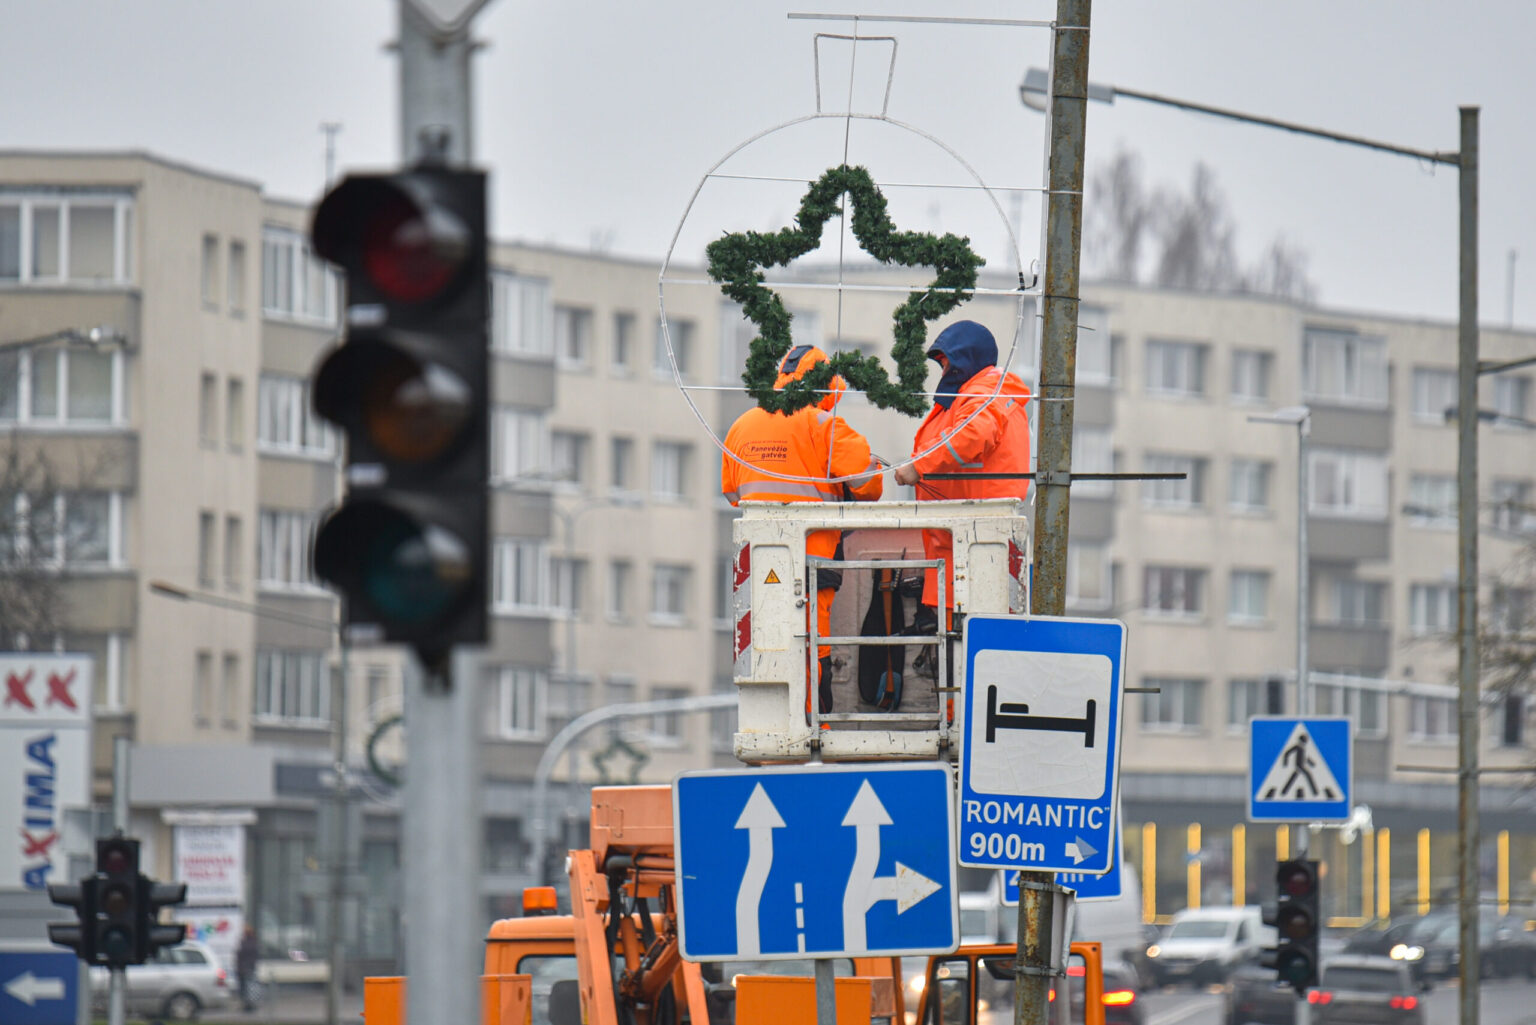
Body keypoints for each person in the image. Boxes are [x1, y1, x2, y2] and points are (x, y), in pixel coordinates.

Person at [722, 345, 883, 712]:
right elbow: (868, 486)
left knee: (768, 641)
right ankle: (814, 726)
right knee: (812, 643)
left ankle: (772, 717)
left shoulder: (741, 425)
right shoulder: (822, 424)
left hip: (759, 560)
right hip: (814, 560)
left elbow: (732, 492)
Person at [894, 320, 1031, 650]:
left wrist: (918, 466)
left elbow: (971, 436)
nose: (943, 371)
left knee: (967, 660)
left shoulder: (984, 396)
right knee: (957, 662)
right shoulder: (973, 397)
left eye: (946, 362)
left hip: (977, 548)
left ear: (966, 358)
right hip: (960, 547)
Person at [236, 924, 259, 1011]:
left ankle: (249, 1004)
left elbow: (243, 954)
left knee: (248, 987)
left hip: (246, 968)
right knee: (246, 987)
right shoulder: (251, 942)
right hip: (245, 968)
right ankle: (247, 1004)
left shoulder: (248, 943)